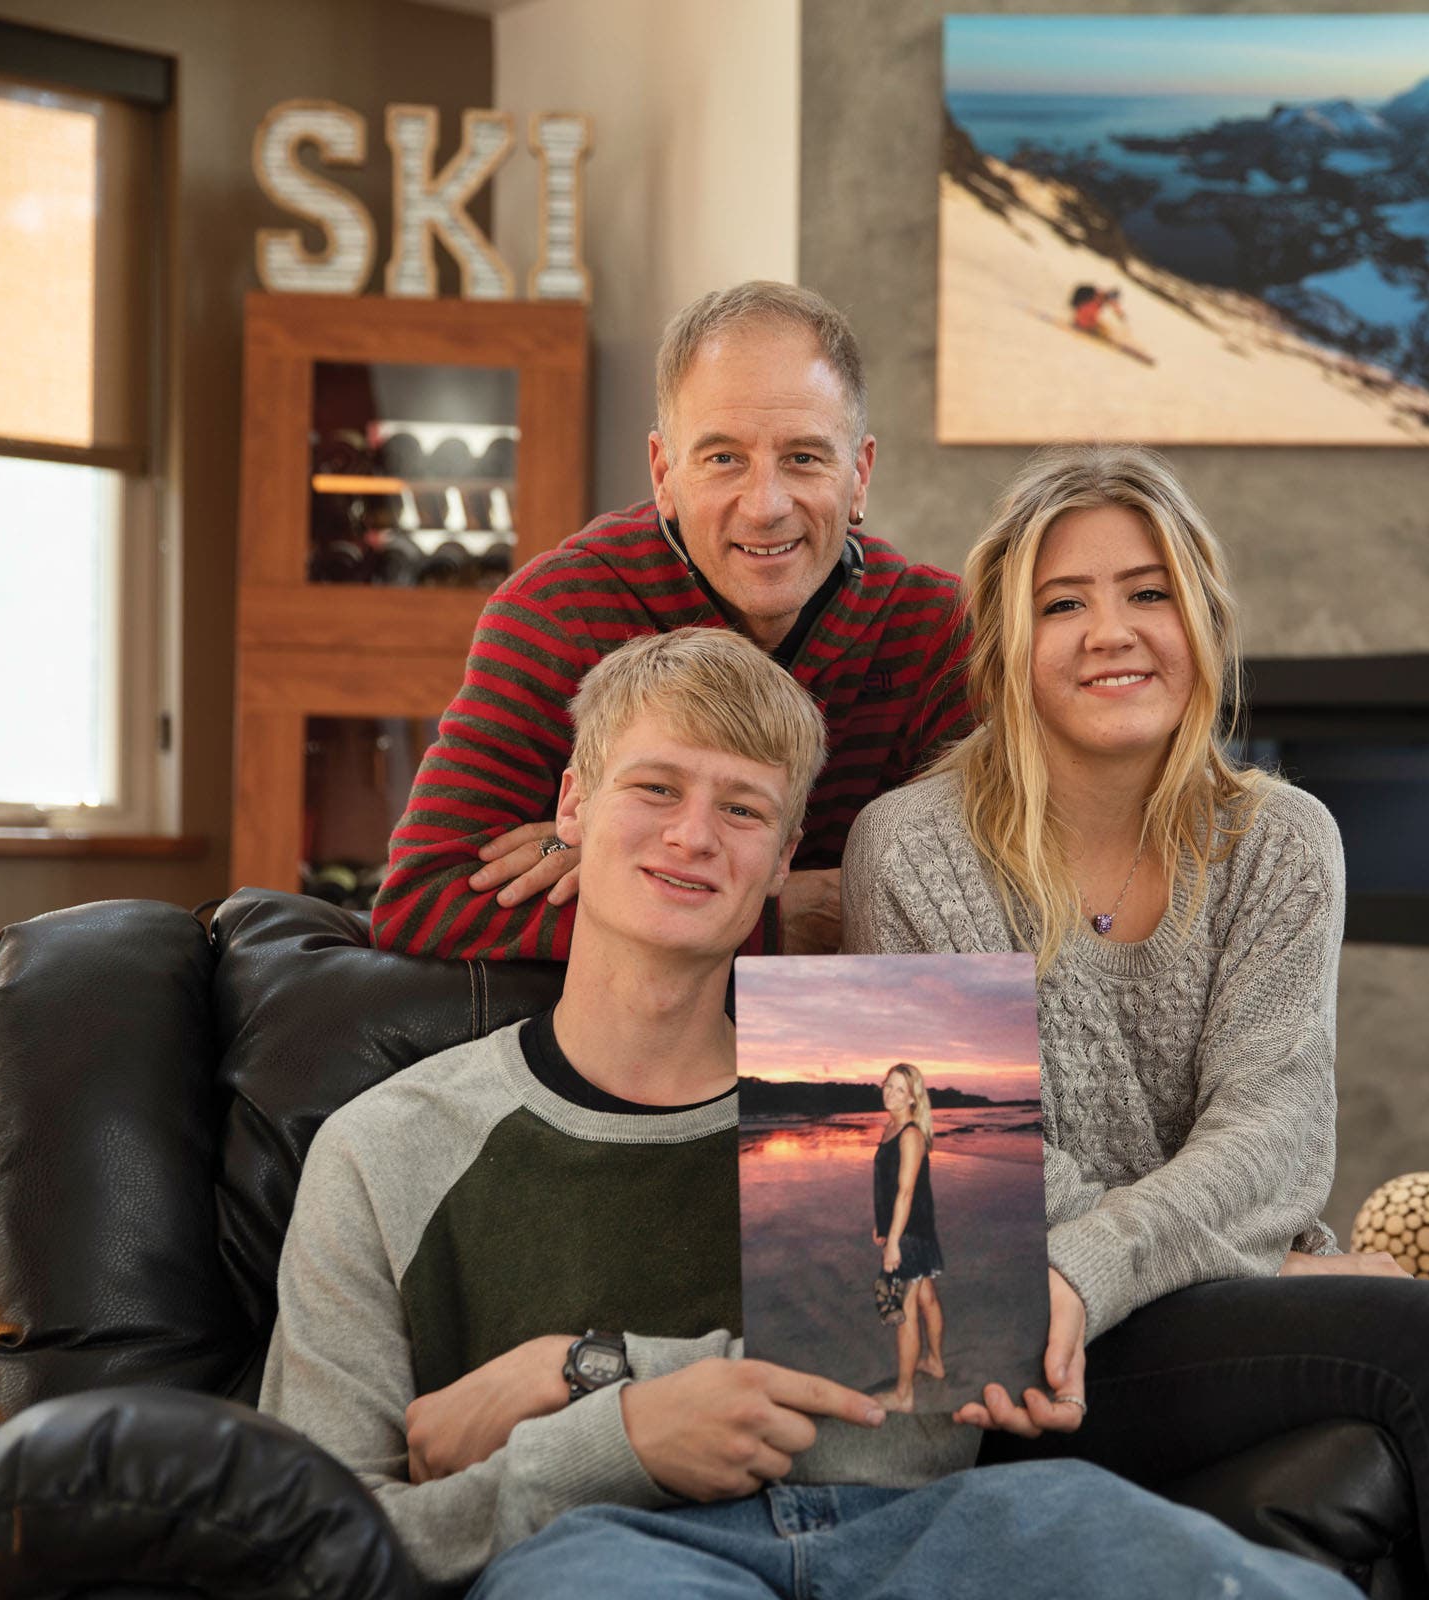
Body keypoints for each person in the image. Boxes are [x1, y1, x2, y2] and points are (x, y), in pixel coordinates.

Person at [842, 445, 1429, 1600]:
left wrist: (1125, 1261)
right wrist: (1238, 1265)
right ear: (1004, 644)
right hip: (1020, 1347)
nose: (1112, 631)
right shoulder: (911, 848)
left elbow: (1279, 1129)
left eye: (1149, 592)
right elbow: (979, 1174)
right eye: (1062, 603)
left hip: (1159, 1287)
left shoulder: (1280, 839)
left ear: (1201, 620)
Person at [260, 627, 1354, 1600]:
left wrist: (598, 1370)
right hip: (603, 1548)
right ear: (572, 807)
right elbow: (311, 1546)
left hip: (930, 1539)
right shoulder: (387, 1147)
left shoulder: (858, 1076)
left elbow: (960, 1379)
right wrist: (621, 1441)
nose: (695, 837)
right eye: (655, 789)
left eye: (743, 809)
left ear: (783, 859)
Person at [369, 280, 972, 964]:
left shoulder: (936, 633)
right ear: (663, 472)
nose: (765, 504)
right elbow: (425, 901)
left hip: (846, 1048)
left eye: (804, 457)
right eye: (723, 459)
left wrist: (618, 868)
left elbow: (988, 897)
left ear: (858, 474)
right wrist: (774, 920)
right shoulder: (561, 615)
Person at [872, 1061, 947, 1412]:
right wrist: (882, 1226)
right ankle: (934, 1362)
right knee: (926, 1298)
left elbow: (905, 1192)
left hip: (912, 1235)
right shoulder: (891, 1127)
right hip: (907, 1228)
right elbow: (887, 1188)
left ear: (913, 1098)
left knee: (905, 1309)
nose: (890, 1092)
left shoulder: (911, 1135)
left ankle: (904, 1395)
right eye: (888, 1085)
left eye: (900, 1089)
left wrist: (894, 1243)